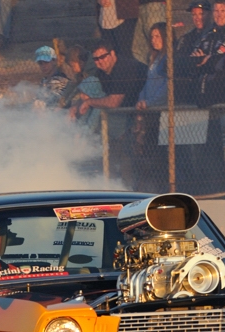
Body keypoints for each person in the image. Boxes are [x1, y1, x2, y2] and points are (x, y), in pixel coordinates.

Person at [70, 40, 146, 185]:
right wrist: (76, 106)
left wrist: (89, 102)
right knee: (115, 161)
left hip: (146, 115)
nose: (100, 61)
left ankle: (133, 189)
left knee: (131, 162)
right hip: (126, 119)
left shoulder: (123, 68)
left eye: (103, 57)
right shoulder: (102, 73)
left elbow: (113, 102)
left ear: (112, 54)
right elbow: (90, 94)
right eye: (96, 59)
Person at [135, 22, 169, 192]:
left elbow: (166, 88)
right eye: (152, 37)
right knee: (149, 151)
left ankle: (164, 188)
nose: (154, 40)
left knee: (160, 155)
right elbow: (147, 85)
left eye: (158, 36)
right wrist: (141, 100)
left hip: (161, 112)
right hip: (150, 112)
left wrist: (150, 103)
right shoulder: (153, 59)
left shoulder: (168, 58)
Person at [192, 0, 225, 107]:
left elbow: (218, 61)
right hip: (201, 94)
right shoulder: (206, 34)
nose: (219, 15)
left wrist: (206, 60)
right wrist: (205, 60)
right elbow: (192, 59)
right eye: (216, 11)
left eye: (223, 11)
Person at [175, 0, 211, 104]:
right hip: (186, 87)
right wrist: (193, 61)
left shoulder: (214, 35)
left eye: (201, 14)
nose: (197, 18)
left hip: (206, 89)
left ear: (209, 14)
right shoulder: (187, 37)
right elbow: (177, 61)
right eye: (194, 14)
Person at [133, 0, 167, 64]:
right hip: (141, 5)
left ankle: (160, 68)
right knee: (137, 49)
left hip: (155, 4)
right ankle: (151, 68)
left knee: (158, 43)